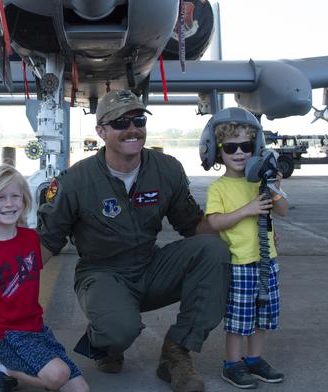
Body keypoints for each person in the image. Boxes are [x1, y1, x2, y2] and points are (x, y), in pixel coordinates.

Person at [38, 89, 229, 392]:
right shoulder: (75, 181)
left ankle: (175, 354)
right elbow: (48, 241)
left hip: (150, 266)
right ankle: (107, 342)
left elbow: (193, 226)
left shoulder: (166, 169)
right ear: (101, 131)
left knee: (214, 251)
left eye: (138, 120)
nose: (132, 129)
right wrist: (8, 281)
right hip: (101, 273)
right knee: (118, 330)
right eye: (120, 123)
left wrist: (251, 234)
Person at [0, 164, 88, 392]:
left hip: (36, 330)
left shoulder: (31, 239)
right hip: (3, 335)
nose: (9, 204)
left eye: (15, 196)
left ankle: (10, 379)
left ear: (25, 199)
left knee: (79, 389)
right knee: (58, 375)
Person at [204, 109, 289, 389]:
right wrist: (248, 209)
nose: (239, 153)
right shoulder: (219, 188)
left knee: (262, 316)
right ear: (218, 152)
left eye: (246, 146)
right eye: (231, 147)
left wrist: (274, 186)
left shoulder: (260, 182)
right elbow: (214, 221)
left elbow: (284, 211)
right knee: (239, 319)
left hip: (267, 262)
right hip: (240, 263)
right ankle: (232, 364)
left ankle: (254, 359)